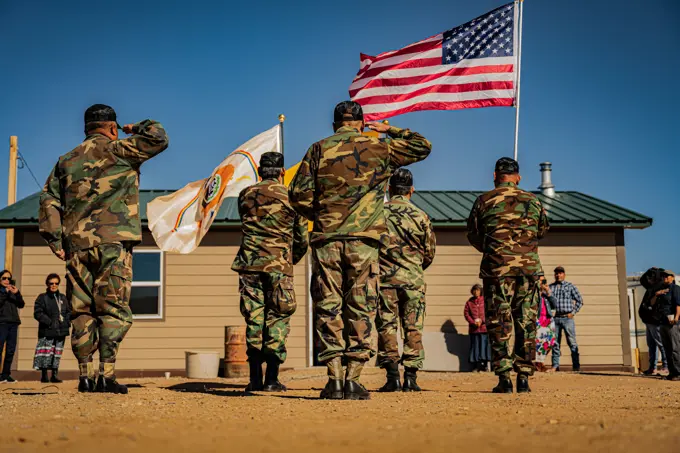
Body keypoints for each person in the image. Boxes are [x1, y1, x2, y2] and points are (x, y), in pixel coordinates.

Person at [289, 100, 432, 400]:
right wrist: (388, 129)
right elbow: (422, 146)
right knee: (362, 306)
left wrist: (325, 215)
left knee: (328, 305)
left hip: (327, 238)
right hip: (364, 242)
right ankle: (354, 379)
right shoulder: (378, 148)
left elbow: (298, 195)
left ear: (334, 125)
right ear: (362, 123)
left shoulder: (318, 149)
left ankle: (334, 380)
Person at [39, 104, 169, 394]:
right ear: (111, 127)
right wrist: (133, 128)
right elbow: (159, 137)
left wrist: (55, 240)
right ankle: (106, 375)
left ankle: (84, 376)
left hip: (77, 245)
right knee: (113, 308)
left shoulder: (66, 160)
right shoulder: (121, 149)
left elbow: (48, 200)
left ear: (85, 128)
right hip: (113, 242)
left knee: (81, 310)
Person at [466, 157, 549, 393]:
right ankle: (523, 376)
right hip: (528, 270)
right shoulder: (533, 201)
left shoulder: (484, 201)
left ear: (495, 176)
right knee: (526, 321)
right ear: (518, 177)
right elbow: (542, 230)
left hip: (497, 269)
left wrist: (494, 249)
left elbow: (473, 234)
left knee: (498, 322)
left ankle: (504, 378)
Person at [231, 152, 308, 392]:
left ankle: (254, 379)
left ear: (259, 170)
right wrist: (288, 260)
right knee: (278, 316)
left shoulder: (246, 194)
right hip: (278, 265)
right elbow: (302, 238)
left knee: (254, 318)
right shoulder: (292, 197)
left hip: (250, 264)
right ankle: (272, 380)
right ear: (282, 172)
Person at [376, 168, 436, 392]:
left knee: (387, 327)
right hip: (412, 280)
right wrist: (415, 268)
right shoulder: (421, 216)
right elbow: (429, 251)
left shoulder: (378, 213)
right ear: (412, 190)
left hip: (385, 280)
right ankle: (411, 378)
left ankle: (392, 377)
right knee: (413, 328)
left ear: (389, 189)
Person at [33, 273, 71, 383]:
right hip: (47, 330)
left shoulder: (63, 297)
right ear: (47, 284)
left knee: (56, 353)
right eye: (51, 283)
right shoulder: (42, 297)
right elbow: (37, 313)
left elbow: (68, 312)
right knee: (46, 353)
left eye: (56, 283)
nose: (53, 285)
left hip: (61, 330)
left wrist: (66, 323)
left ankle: (54, 375)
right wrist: (49, 322)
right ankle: (44, 375)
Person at [549, 266, 584, 372]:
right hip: (555, 319)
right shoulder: (550, 287)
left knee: (572, 342)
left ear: (564, 274)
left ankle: (576, 366)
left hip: (567, 318)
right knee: (555, 343)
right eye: (556, 273)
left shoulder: (570, 286)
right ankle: (555, 366)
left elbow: (580, 301)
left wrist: (573, 313)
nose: (558, 275)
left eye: (560, 273)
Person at [638, 267, 668, 375]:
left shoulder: (660, 288)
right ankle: (652, 368)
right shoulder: (651, 288)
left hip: (655, 320)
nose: (648, 279)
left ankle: (666, 366)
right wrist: (651, 269)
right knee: (651, 345)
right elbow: (642, 280)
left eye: (651, 276)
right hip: (648, 320)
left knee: (661, 344)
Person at [654, 269, 680, 381]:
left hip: (672, 322)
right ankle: (671, 372)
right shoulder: (661, 290)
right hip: (662, 322)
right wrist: (656, 295)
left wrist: (676, 318)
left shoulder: (675, 289)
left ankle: (678, 372)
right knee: (667, 348)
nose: (665, 278)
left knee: (675, 348)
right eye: (663, 276)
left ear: (672, 277)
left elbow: (678, 304)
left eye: (667, 276)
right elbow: (652, 303)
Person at [0, 269, 25, 383]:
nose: (7, 280)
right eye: (4, 278)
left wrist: (17, 293)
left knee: (10, 350)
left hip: (13, 323)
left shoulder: (12, 291)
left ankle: (6, 375)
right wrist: (5, 293)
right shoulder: (2, 292)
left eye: (9, 278)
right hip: (2, 323)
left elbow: (21, 305)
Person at [464, 284, 490, 372]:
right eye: (474, 290)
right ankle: (475, 364)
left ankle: (484, 364)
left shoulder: (485, 301)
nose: (476, 292)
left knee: (484, 346)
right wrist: (473, 322)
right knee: (475, 346)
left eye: (478, 290)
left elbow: (488, 312)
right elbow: (466, 314)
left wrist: (482, 321)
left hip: (484, 328)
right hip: (474, 329)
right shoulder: (469, 302)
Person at [535, 276, 557, 372]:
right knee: (538, 342)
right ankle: (539, 363)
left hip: (548, 320)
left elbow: (555, 304)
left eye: (544, 281)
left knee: (550, 342)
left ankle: (540, 362)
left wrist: (548, 292)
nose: (542, 283)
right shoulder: (534, 294)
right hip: (538, 319)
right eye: (541, 281)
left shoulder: (546, 295)